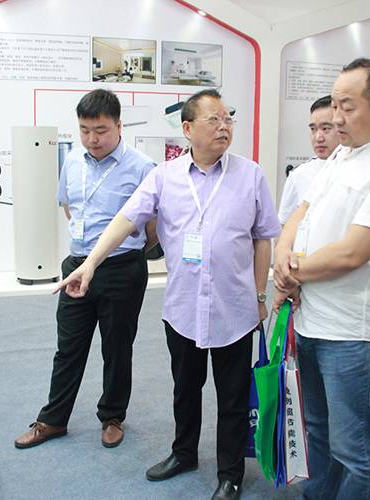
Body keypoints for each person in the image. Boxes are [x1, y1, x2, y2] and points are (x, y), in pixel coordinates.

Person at [55, 88, 280, 500]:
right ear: (188, 128)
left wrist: (260, 295)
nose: (224, 127)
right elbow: (126, 220)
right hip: (183, 306)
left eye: (228, 119)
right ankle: (184, 454)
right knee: (185, 389)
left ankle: (230, 473)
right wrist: (91, 263)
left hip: (234, 307)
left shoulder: (250, 175)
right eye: (213, 120)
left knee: (232, 396)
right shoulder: (164, 176)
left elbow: (263, 237)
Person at [272, 58, 370, 500]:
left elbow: (354, 252)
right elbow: (299, 214)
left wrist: (289, 273)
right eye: (334, 105)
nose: (336, 118)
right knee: (316, 430)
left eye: (347, 107)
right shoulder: (340, 155)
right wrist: (282, 260)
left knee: (355, 448)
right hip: (310, 322)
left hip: (351, 335)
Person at [14, 89, 156, 450]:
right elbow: (69, 207)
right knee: (68, 347)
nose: (92, 139)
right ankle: (52, 420)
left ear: (119, 126)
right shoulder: (73, 161)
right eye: (84, 130)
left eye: (101, 130)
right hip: (76, 266)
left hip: (121, 269)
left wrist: (127, 253)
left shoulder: (143, 167)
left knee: (117, 348)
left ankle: (112, 416)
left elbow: (154, 227)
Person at [278, 95, 341, 224]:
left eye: (326, 129)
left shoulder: (358, 169)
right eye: (313, 129)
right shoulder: (299, 175)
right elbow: (284, 224)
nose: (318, 137)